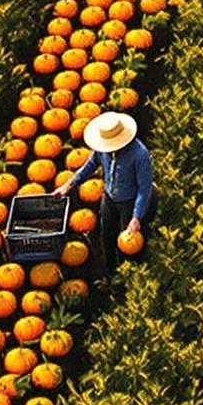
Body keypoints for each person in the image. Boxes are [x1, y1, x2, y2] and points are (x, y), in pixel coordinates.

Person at [78, 111, 154, 283]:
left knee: (128, 244)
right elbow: (90, 165)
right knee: (107, 237)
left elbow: (144, 188)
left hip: (129, 201)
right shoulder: (103, 150)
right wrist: (69, 184)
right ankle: (110, 272)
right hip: (109, 198)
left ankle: (130, 278)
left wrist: (136, 217)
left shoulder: (139, 155)